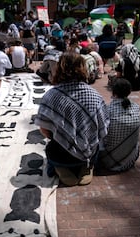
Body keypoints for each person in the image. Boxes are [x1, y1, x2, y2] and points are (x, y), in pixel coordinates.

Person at [35, 52, 109, 186]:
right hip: (88, 152)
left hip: (60, 154)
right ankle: (86, 166)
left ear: (59, 69)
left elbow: (44, 130)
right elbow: (103, 128)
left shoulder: (51, 95)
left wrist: (63, 137)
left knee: (51, 148)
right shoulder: (95, 95)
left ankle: (62, 168)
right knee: (95, 146)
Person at [95, 78, 140, 175]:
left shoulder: (107, 110)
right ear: (129, 91)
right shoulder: (136, 108)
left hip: (107, 161)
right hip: (130, 160)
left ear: (113, 92)